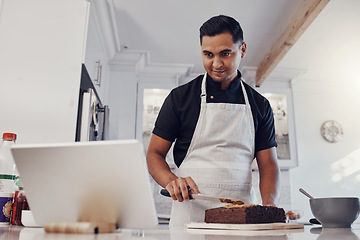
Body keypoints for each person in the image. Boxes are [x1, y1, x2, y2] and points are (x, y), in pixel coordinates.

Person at [146, 15, 280, 228]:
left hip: (242, 214)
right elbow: (154, 154)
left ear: (242, 49)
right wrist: (172, 181)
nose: (216, 64)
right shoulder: (180, 97)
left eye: (225, 54)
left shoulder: (260, 105)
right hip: (190, 215)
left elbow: (269, 164)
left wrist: (269, 204)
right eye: (208, 54)